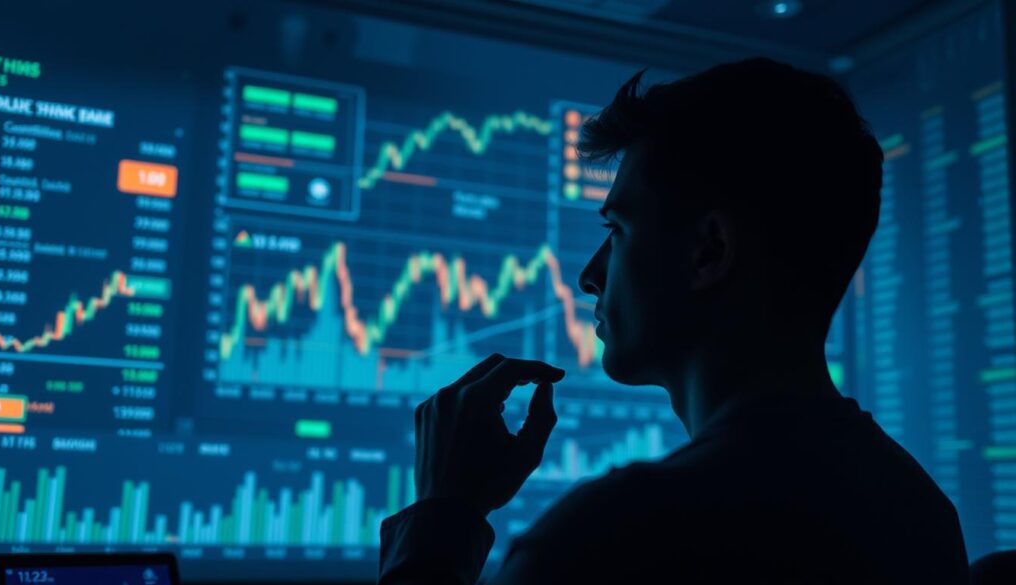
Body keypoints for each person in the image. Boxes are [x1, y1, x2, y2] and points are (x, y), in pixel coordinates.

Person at [377, 58, 969, 584]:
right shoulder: (922, 513)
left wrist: (442, 515)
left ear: (710, 251)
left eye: (617, 229)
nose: (588, 275)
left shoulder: (608, 543)